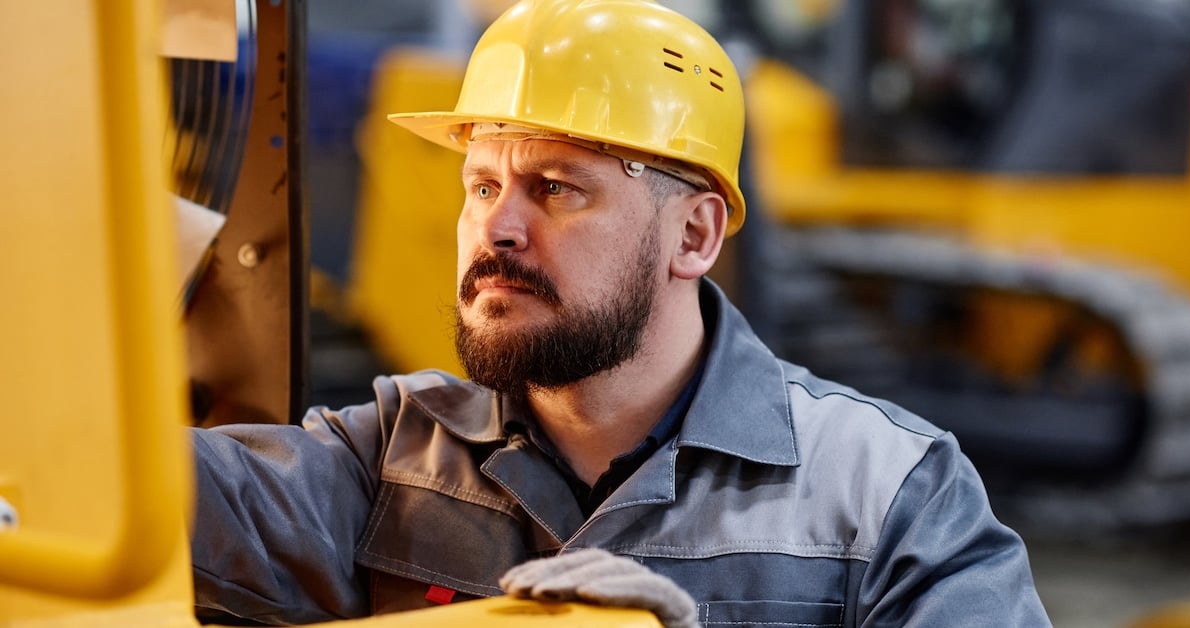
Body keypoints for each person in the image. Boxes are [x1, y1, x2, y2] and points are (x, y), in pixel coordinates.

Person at [190, 0, 1051, 626]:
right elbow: (137, 497)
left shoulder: (887, 491)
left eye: (557, 188)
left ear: (695, 234)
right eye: (481, 184)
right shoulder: (388, 458)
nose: (498, 226)